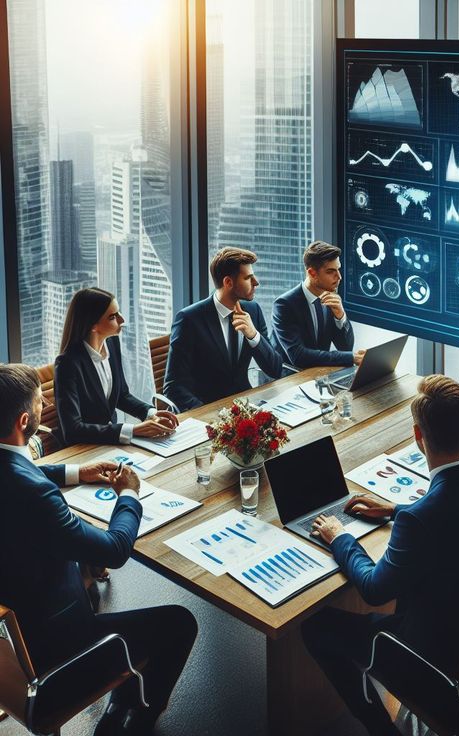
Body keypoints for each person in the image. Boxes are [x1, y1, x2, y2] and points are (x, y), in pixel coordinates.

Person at [303, 375, 459, 736]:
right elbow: (457, 510)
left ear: (419, 437)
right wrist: (395, 509)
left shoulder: (421, 518)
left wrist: (339, 537)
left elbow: (374, 590)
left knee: (315, 627)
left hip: (431, 659)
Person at [0, 364, 197, 736]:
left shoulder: (16, 473)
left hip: (9, 630)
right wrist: (129, 495)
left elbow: (20, 470)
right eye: (41, 403)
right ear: (24, 421)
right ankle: (134, 719)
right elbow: (116, 549)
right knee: (179, 623)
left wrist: (77, 472)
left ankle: (125, 698)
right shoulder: (36, 496)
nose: (45, 407)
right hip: (54, 647)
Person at [54, 288, 179, 446]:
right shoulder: (67, 364)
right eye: (113, 316)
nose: (122, 320)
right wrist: (132, 431)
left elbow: (121, 395)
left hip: (110, 442)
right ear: (93, 326)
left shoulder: (112, 343)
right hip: (83, 449)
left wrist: (151, 413)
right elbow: (72, 430)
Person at [164, 247, 283, 411]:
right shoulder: (189, 320)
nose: (256, 282)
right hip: (208, 413)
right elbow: (173, 387)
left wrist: (253, 336)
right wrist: (212, 416)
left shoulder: (253, 310)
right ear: (228, 282)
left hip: (246, 408)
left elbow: (275, 369)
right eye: (248, 278)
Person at [272, 240, 365, 369]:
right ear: (312, 273)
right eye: (330, 271)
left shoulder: (330, 298)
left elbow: (346, 347)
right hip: (289, 379)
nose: (339, 277)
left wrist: (340, 317)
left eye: (338, 269)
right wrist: (351, 357)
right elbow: (298, 356)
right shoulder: (284, 305)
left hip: (318, 375)